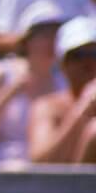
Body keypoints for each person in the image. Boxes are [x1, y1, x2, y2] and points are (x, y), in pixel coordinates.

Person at [0, 1, 65, 163]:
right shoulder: (2, 73)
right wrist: (10, 91)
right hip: (2, 169)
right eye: (45, 34)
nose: (51, 41)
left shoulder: (65, 79)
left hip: (49, 172)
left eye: (56, 34)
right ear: (27, 41)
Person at [28, 16, 96, 164]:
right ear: (62, 64)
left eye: (94, 54)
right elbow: (41, 164)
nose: (88, 63)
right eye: (77, 56)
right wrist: (83, 110)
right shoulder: (47, 107)